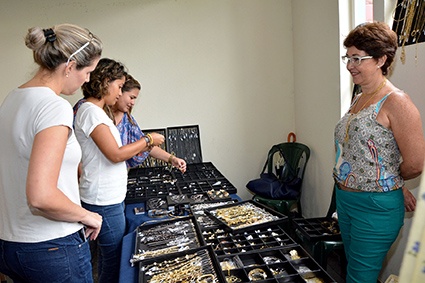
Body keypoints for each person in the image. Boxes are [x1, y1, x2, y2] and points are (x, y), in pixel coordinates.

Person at [0, 24, 103, 283]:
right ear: (69, 66)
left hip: (11, 244)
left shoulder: (12, 98)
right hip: (51, 247)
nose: (88, 80)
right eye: (88, 71)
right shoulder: (54, 107)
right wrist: (87, 215)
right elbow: (41, 196)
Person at [334, 22, 425, 283]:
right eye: (348, 58)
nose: (350, 65)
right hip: (347, 201)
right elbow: (366, 153)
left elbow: (416, 163)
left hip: (374, 208)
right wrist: (396, 183)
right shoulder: (360, 97)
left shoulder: (397, 101)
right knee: (355, 271)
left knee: (359, 278)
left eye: (357, 58)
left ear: (381, 59)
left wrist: (392, 183)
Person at [73, 58, 165, 282]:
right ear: (105, 82)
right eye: (119, 86)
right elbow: (115, 154)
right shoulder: (91, 113)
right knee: (114, 260)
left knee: (108, 259)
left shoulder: (96, 112)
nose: (120, 92)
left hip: (108, 198)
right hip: (103, 200)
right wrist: (148, 139)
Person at [112, 74, 187, 170]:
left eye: (135, 99)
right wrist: (149, 139)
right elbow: (118, 154)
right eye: (131, 97)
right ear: (119, 92)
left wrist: (172, 159)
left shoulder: (127, 120)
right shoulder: (100, 116)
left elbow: (142, 146)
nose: (133, 103)